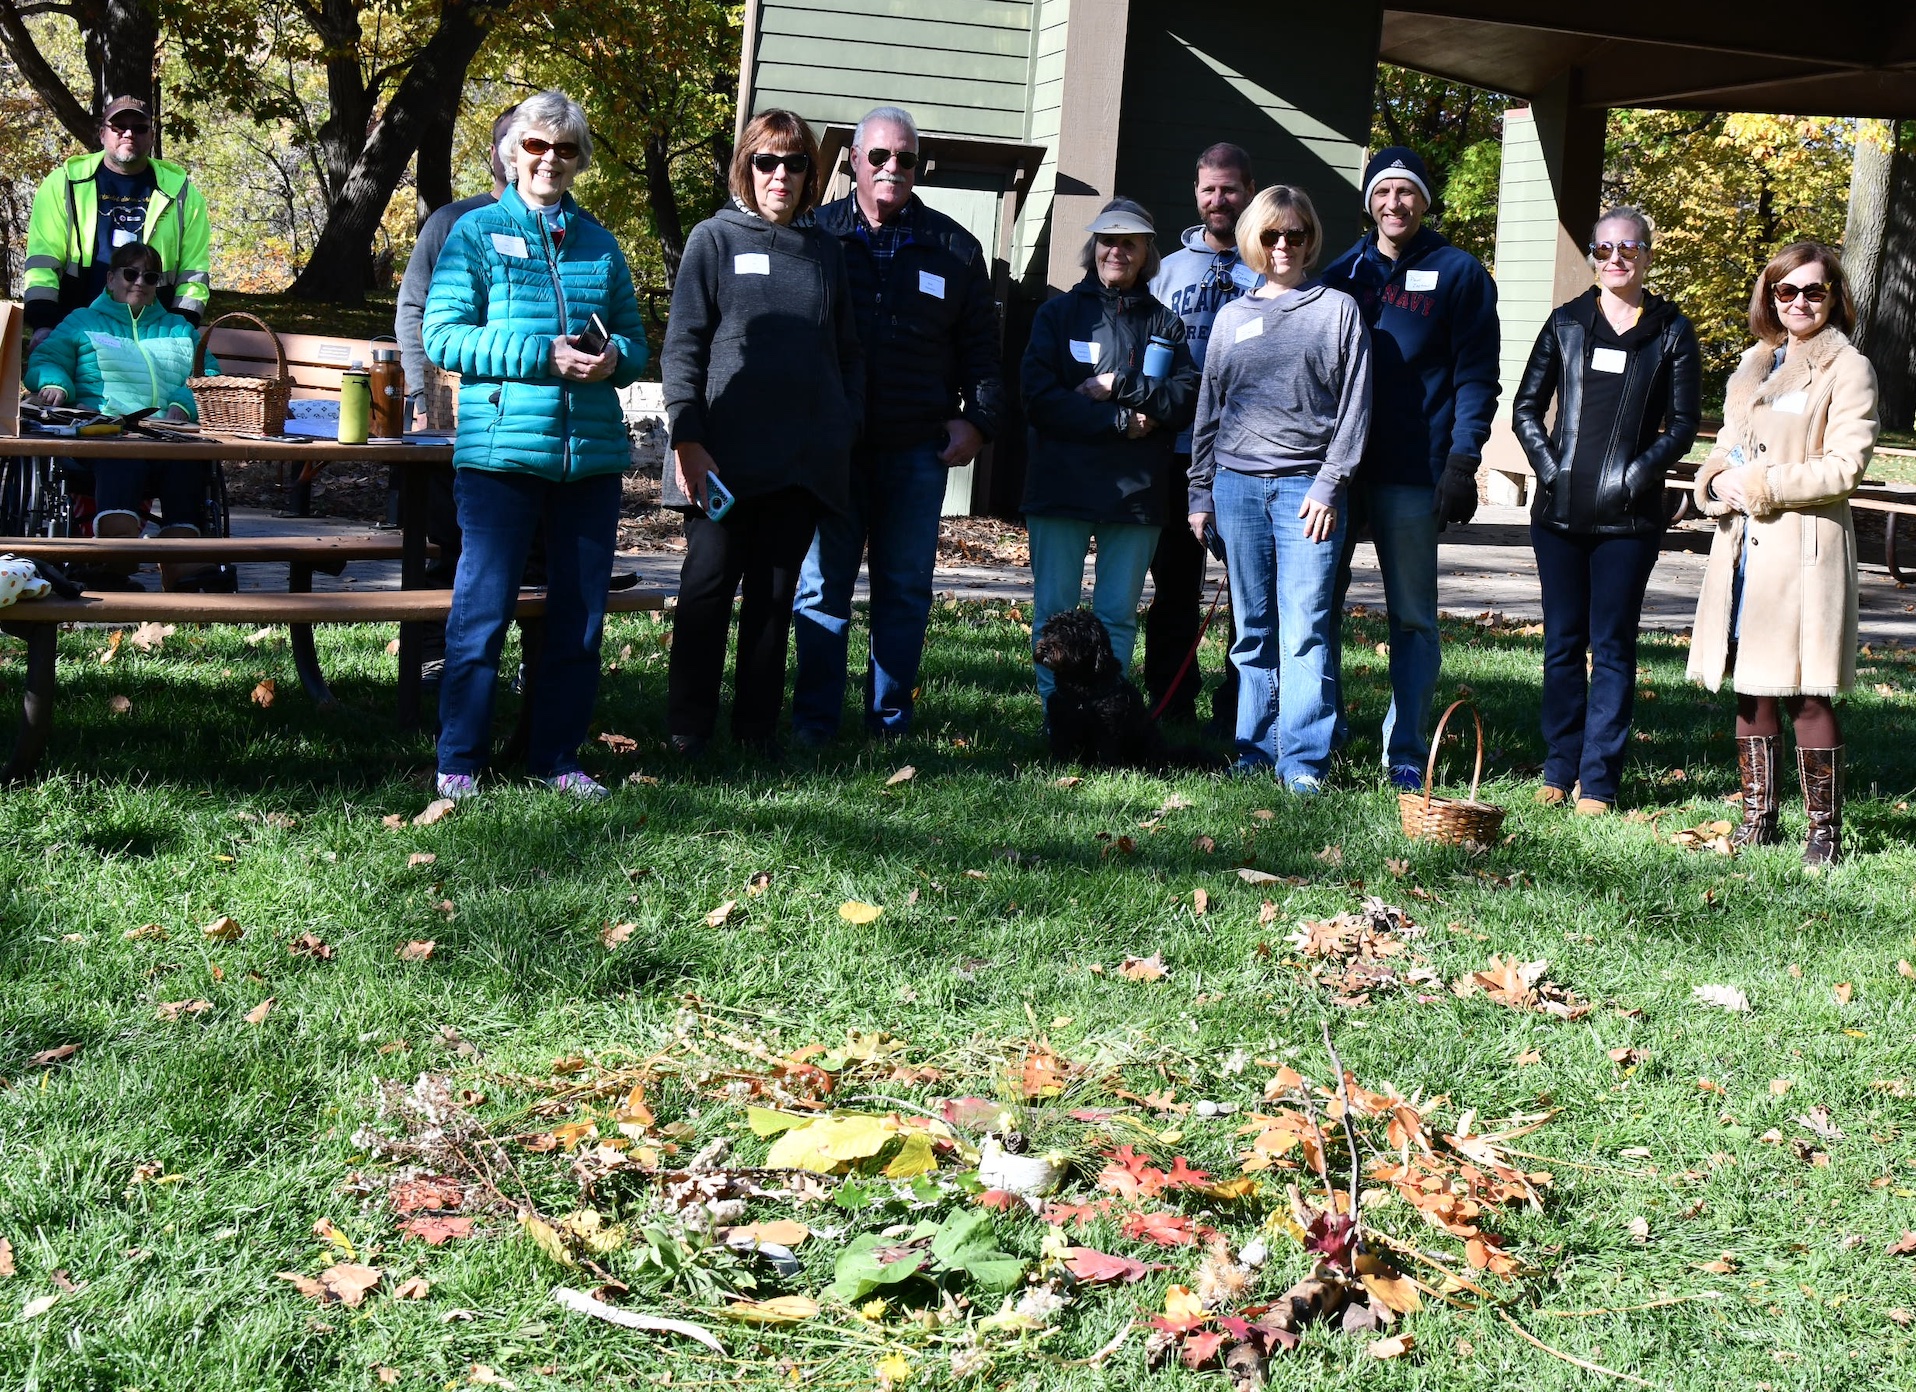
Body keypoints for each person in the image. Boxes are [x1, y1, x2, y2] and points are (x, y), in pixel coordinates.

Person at [423, 89, 647, 801]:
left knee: (578, 624)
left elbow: (639, 345)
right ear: (511, 151)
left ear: (580, 161)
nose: (550, 160)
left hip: (589, 460)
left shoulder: (602, 246)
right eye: (536, 146)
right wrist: (540, 354)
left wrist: (616, 360)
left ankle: (556, 759)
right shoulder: (475, 234)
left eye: (566, 149)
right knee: (481, 615)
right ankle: (459, 761)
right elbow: (443, 337)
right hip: (500, 457)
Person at [792, 104, 1004, 744]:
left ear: (918, 168)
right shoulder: (814, 236)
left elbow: (982, 352)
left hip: (916, 450)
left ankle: (890, 723)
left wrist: (980, 423)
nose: (891, 168)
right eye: (878, 156)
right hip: (834, 448)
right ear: (854, 161)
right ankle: (815, 725)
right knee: (820, 589)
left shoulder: (954, 247)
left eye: (905, 159)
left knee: (905, 591)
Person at [661, 109, 863, 758]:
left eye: (795, 163)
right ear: (745, 167)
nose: (781, 175)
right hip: (718, 457)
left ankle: (755, 735)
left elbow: (848, 352)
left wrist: (841, 423)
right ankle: (688, 731)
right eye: (766, 162)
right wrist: (687, 439)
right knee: (705, 591)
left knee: (775, 600)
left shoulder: (828, 254)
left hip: (801, 463)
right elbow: (683, 347)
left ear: (811, 174)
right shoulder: (712, 240)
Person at [1687, 242, 1877, 866]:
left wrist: (1764, 484)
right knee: (1752, 687)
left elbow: (1844, 466)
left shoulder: (1847, 368)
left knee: (1807, 689)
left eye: (1813, 291)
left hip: (1802, 550)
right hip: (1743, 547)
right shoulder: (1754, 365)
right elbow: (1728, 449)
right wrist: (1715, 482)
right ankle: (1757, 819)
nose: (1799, 302)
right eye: (1786, 290)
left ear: (1833, 297)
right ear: (1769, 297)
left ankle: (1823, 832)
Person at [1322, 146, 1500, 790]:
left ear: (1425, 202)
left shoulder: (1459, 272)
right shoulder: (1340, 272)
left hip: (1416, 470)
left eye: (1407, 192)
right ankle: (1324, 730)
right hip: (1338, 472)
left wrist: (1462, 460)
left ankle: (1406, 745)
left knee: (1414, 615)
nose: (1394, 203)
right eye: (1383, 191)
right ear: (1368, 200)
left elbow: (1478, 375)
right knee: (1321, 605)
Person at [1514, 207, 1701, 815]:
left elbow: (1683, 425)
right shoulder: (1566, 323)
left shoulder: (1671, 331)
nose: (1616, 259)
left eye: (1628, 248)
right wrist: (1552, 470)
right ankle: (1557, 768)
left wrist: (1634, 477)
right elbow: (1525, 408)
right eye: (1604, 250)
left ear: (1647, 253)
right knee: (1563, 644)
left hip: (1630, 520)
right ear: (1593, 257)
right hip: (1559, 515)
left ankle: (1597, 781)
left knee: (1613, 645)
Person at [1186, 186, 1370, 793]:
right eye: (1271, 235)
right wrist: (1200, 493)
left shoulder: (1336, 309)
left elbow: (1354, 407)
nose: (1284, 245)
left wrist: (1329, 485)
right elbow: (1209, 409)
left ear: (1311, 238)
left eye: (1295, 234)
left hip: (1306, 493)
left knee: (1307, 624)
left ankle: (1303, 761)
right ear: (1253, 241)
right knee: (1252, 629)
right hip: (1237, 489)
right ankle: (1253, 749)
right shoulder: (1233, 317)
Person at [1021, 197, 1197, 712]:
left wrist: (1122, 385)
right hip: (1061, 487)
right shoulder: (1057, 314)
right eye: (1107, 240)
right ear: (1092, 248)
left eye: (1129, 242)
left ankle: (1107, 717)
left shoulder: (1166, 324)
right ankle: (1059, 716)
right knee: (1054, 611)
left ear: (1147, 254)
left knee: (1118, 612)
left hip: (1136, 493)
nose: (1116, 250)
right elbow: (1039, 401)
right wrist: (1122, 420)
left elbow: (1183, 400)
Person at [394, 103, 519, 688]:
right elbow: (415, 309)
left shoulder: (567, 225)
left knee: (519, 544)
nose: (535, 156)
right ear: (497, 154)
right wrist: (422, 394)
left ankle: (507, 662)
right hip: (450, 409)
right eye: (521, 143)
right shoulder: (452, 221)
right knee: (449, 534)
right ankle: (430, 654)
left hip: (526, 419)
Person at [24, 240, 217, 588]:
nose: (139, 282)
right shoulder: (82, 321)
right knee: (122, 452)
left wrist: (182, 405)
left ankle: (181, 561)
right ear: (111, 278)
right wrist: (56, 384)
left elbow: (210, 377)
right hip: (105, 434)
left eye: (150, 276)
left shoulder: (180, 330)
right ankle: (115, 554)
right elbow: (47, 358)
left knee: (189, 462)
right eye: (130, 273)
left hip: (170, 436)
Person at [1145, 143, 1256, 729]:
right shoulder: (1167, 269)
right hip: (1176, 451)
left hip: (1247, 456)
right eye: (1209, 189)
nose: (1219, 200)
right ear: (1196, 193)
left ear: (1248, 191)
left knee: (1248, 592)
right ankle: (1171, 699)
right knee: (1175, 587)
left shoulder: (1267, 261)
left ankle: (1243, 706)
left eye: (1230, 189)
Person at [24, 97, 211, 349]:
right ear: (102, 134)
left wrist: (179, 331)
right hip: (74, 331)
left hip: (152, 338)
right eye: (119, 126)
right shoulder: (63, 184)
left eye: (139, 127)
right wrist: (43, 323)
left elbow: (194, 273)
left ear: (152, 136)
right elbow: (42, 261)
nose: (129, 133)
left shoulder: (182, 194)